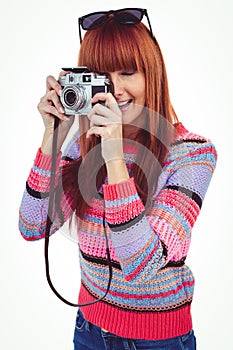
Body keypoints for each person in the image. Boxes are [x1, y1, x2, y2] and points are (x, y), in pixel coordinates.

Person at [18, 8, 217, 350]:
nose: (117, 90)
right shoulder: (80, 147)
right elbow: (33, 227)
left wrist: (113, 157)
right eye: (102, 77)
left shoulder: (192, 153)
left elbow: (141, 265)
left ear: (152, 73)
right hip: (90, 330)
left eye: (128, 72)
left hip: (160, 339)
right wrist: (52, 138)